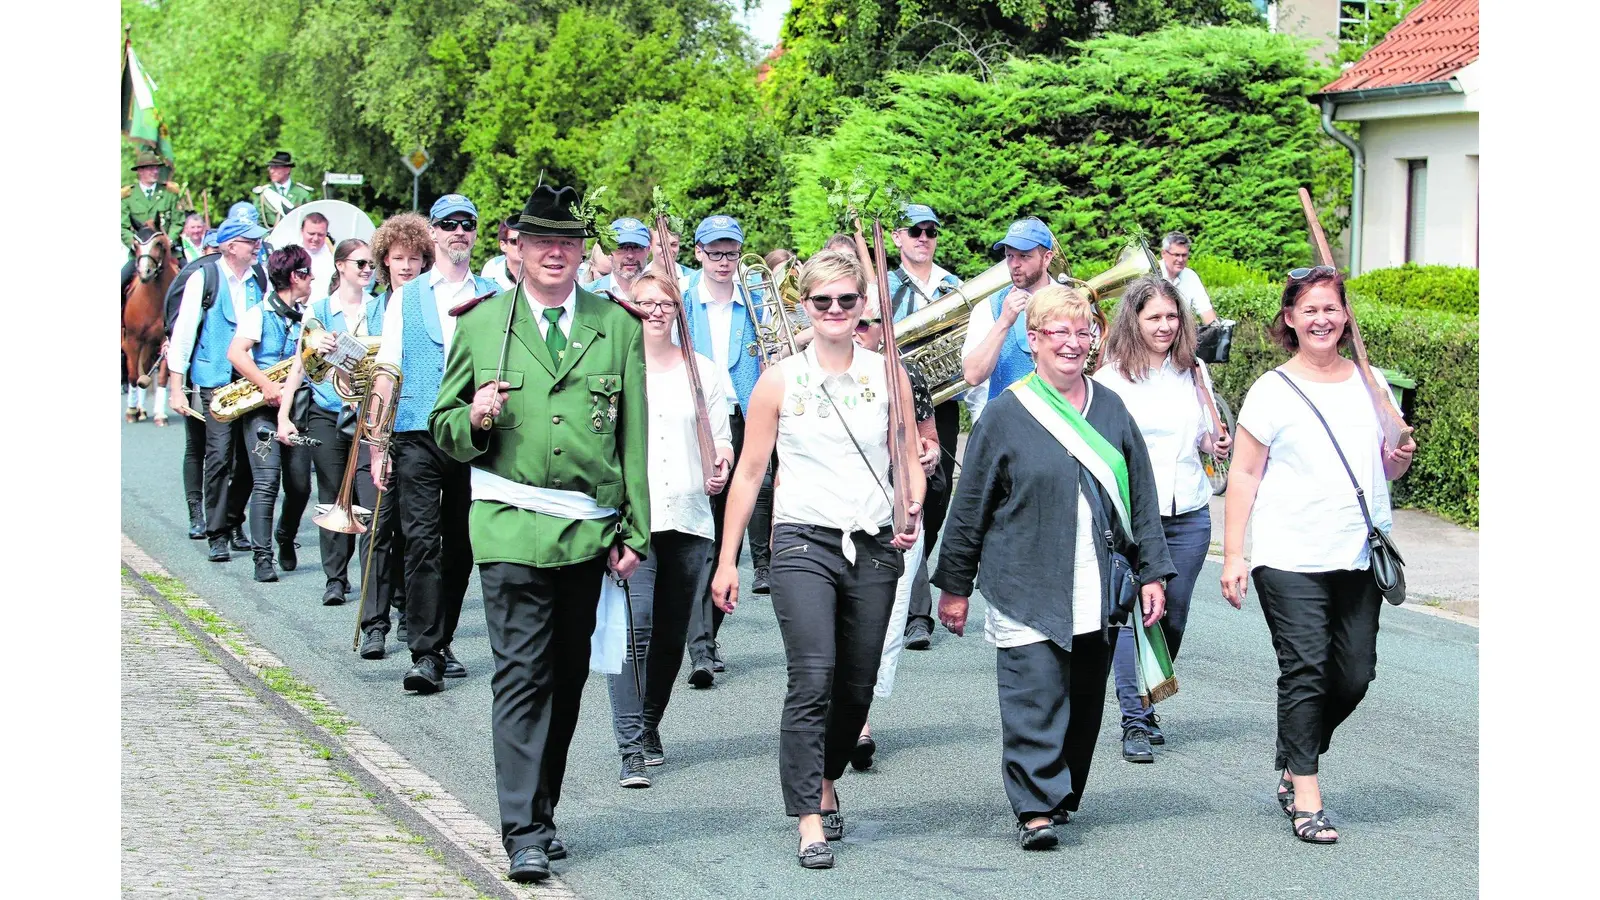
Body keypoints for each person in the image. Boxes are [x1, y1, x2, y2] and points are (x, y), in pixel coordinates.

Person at [429, 183, 649, 883]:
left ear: (584, 252)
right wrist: (477, 420)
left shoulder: (615, 326)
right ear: (515, 249)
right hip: (508, 527)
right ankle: (522, 828)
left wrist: (635, 529)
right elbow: (444, 427)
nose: (555, 253)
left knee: (567, 676)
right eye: (541, 241)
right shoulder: (479, 324)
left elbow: (634, 437)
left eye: (568, 242)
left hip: (586, 532)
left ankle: (541, 810)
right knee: (522, 674)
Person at [934, 284, 1174, 852]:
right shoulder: (1005, 414)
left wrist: (1153, 571)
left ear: (1093, 341)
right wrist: (954, 586)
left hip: (1098, 588)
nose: (1071, 342)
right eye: (1057, 332)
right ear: (1033, 341)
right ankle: (1034, 806)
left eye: (1081, 332)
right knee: (1032, 696)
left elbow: (1141, 493)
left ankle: (1061, 793)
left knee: (1085, 701)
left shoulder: (1111, 408)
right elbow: (971, 506)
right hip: (1024, 582)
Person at [711, 249, 924, 871]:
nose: (835, 311)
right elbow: (751, 473)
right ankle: (809, 815)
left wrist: (910, 505)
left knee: (856, 685)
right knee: (813, 675)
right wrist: (729, 560)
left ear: (862, 308)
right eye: (823, 301)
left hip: (875, 540)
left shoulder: (890, 374)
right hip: (803, 541)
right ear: (805, 307)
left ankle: (828, 774)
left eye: (847, 301)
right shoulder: (779, 379)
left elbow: (907, 446)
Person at [1220, 266, 1416, 846]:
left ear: (1345, 316)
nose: (1321, 319)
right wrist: (1234, 553)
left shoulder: (1372, 384)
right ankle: (1306, 789)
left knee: (1354, 674)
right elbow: (1245, 472)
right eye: (1309, 310)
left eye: (1331, 308)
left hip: (1358, 550)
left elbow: (1385, 468)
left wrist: (1399, 454)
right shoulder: (1272, 390)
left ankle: (1294, 752)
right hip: (1290, 552)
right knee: (1305, 668)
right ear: (1290, 320)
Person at [1092, 276, 1231, 763]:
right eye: (1154, 317)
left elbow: (1200, 437)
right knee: (1135, 615)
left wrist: (1212, 444)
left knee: (1173, 614)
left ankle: (1148, 699)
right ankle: (1135, 717)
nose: (1165, 326)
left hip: (1189, 511)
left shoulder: (1193, 372)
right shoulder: (1110, 379)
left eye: (1172, 317)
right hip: (1133, 518)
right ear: (1134, 319)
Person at [606, 271, 734, 790]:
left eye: (665, 303)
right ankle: (630, 744)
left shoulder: (702, 371)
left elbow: (723, 440)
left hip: (689, 516)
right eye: (645, 303)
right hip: (633, 515)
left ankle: (650, 722)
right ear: (629, 307)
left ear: (679, 311)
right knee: (633, 629)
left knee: (669, 635)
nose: (656, 311)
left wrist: (721, 464)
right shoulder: (613, 368)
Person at [372, 197, 498, 694]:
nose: (459, 232)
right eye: (449, 225)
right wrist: (377, 444)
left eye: (468, 225)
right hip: (415, 433)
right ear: (434, 234)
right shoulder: (408, 295)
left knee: (461, 545)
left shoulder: (494, 294)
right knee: (421, 541)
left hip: (472, 436)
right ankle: (424, 653)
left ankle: (441, 638)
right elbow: (387, 369)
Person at [276, 238, 396, 618]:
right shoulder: (319, 309)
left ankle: (370, 584)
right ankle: (334, 577)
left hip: (367, 413)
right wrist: (284, 414)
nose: (367, 270)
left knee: (365, 495)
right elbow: (299, 363)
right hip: (327, 409)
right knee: (331, 491)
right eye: (360, 263)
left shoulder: (381, 307)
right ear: (340, 265)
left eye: (371, 265)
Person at [848, 295, 941, 772]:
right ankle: (834, 708)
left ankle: (858, 718)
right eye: (858, 322)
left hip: (895, 510)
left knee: (885, 621)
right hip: (833, 514)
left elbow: (931, 441)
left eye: (873, 321)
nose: (864, 330)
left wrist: (928, 455)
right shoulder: (804, 372)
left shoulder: (906, 375)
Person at [681, 214, 764, 686]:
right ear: (698, 253)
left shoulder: (754, 304)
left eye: (731, 253)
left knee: (728, 531)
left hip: (744, 419)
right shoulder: (681, 300)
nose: (724, 262)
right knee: (702, 531)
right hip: (695, 419)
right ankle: (701, 646)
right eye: (715, 253)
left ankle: (704, 636)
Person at [168, 216, 272, 562]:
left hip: (249, 379)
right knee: (218, 458)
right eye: (250, 241)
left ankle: (232, 520)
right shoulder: (204, 277)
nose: (257, 246)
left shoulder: (260, 277)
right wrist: (176, 386)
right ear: (230, 246)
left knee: (248, 460)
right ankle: (216, 532)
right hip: (215, 380)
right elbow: (184, 332)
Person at [885, 203, 963, 650]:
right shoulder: (884, 287)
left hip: (941, 401)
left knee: (937, 495)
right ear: (897, 237)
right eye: (915, 230)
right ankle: (917, 610)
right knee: (903, 491)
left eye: (931, 231)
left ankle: (914, 571)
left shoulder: (953, 287)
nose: (923, 238)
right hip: (894, 399)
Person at [226, 245, 315, 582]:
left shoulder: (308, 316)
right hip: (261, 412)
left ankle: (285, 536)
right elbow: (236, 353)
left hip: (297, 410)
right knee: (266, 482)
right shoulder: (259, 313)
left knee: (300, 486)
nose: (313, 278)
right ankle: (263, 557)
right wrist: (266, 384)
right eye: (308, 272)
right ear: (295, 276)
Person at [960, 217, 1060, 424]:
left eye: (1024, 256)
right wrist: (1004, 321)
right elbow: (972, 375)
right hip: (1007, 429)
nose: (1014, 264)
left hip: (1064, 425)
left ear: (1047, 258)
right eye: (1009, 256)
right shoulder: (988, 307)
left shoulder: (1074, 302)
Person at [121, 149, 183, 297]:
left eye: (156, 168)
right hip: (139, 254)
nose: (155, 171)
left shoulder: (170, 193)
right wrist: (135, 244)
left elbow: (178, 221)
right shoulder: (128, 196)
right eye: (150, 168)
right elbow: (122, 227)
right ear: (140, 171)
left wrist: (169, 240)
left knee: (196, 279)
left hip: (169, 252)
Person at [1159, 232, 1218, 326]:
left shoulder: (1191, 276)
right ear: (1164, 253)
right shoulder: (1151, 273)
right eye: (1176, 255)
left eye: (1184, 255)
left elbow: (1205, 310)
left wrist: (1216, 330)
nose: (1181, 260)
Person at [583, 218, 651, 300]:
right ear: (608, 251)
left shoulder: (661, 293)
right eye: (622, 247)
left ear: (648, 250)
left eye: (637, 247)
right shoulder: (589, 294)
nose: (630, 255)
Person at [252, 150, 316, 228]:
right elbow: (257, 222)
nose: (271, 171)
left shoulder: (302, 193)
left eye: (276, 167)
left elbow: (310, 220)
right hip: (271, 237)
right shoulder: (263, 194)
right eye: (271, 167)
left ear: (287, 170)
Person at [480, 217, 522, 291]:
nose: (522, 246)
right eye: (515, 241)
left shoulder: (542, 270)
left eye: (526, 241)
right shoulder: (492, 269)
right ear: (503, 245)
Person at [300, 212, 334, 301]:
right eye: (311, 233)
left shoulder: (334, 255)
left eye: (320, 234)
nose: (315, 239)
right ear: (302, 231)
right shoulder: (292, 255)